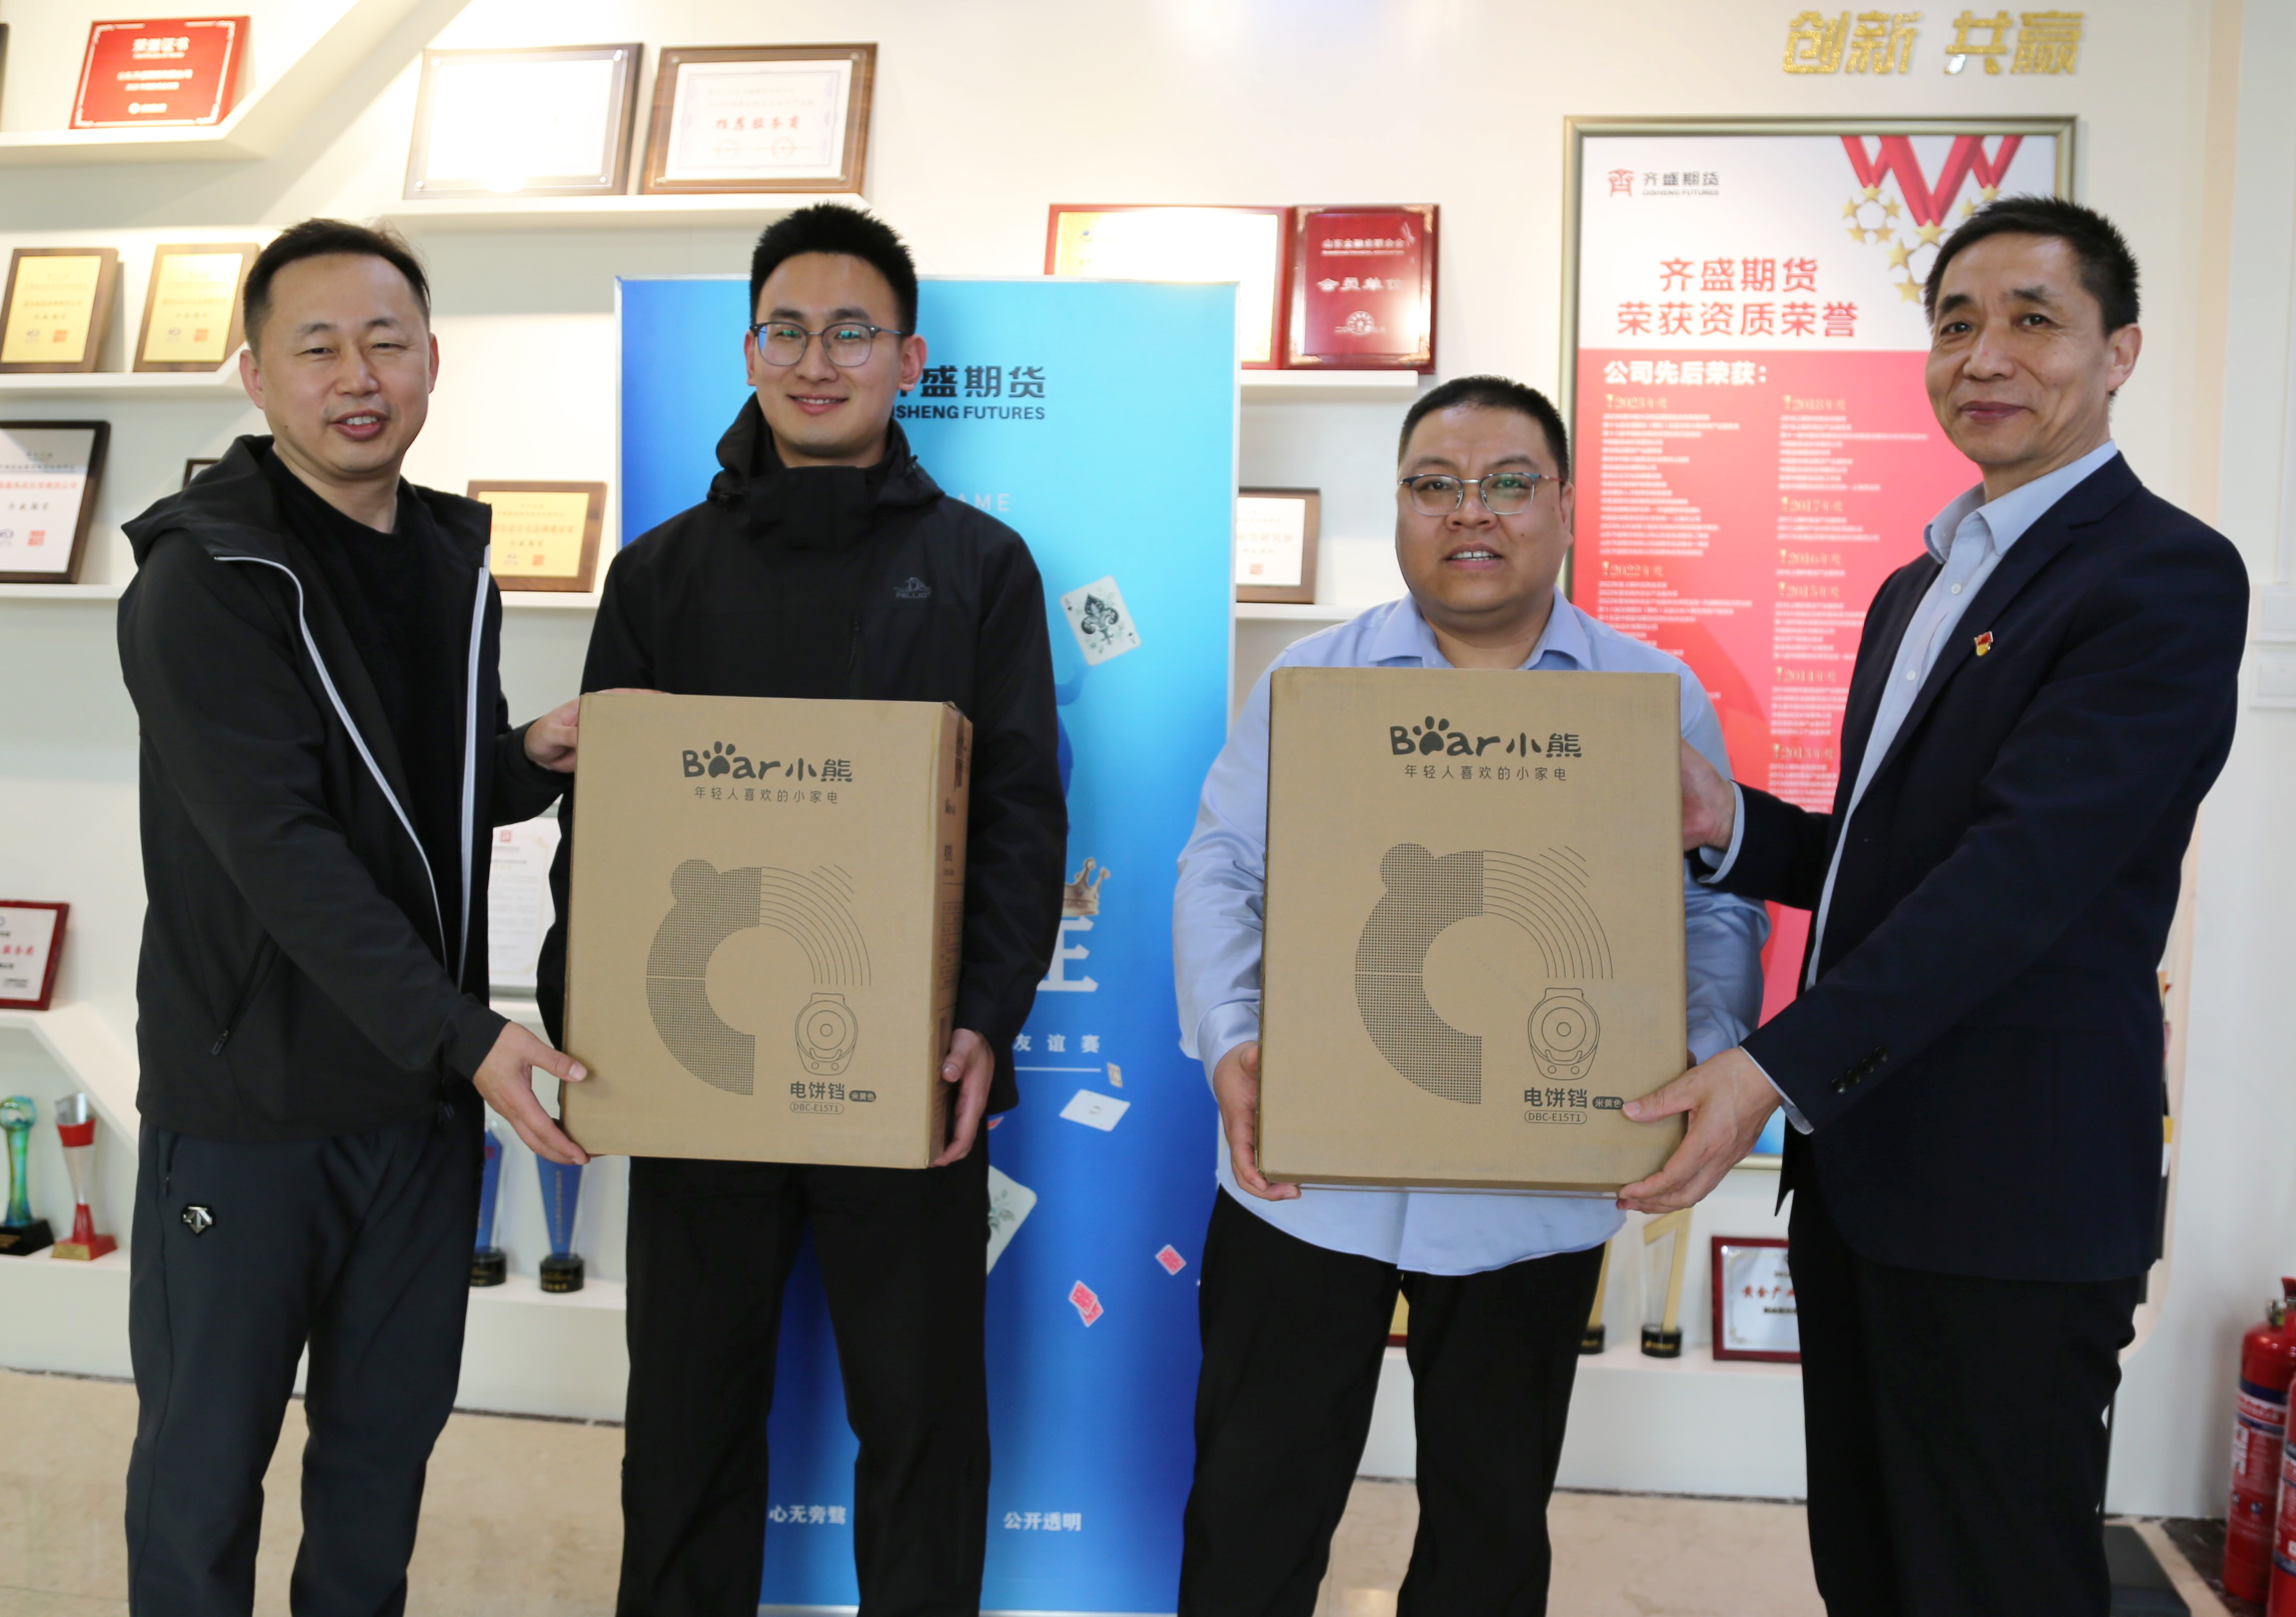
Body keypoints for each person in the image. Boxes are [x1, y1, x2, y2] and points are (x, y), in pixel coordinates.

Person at [1617, 197, 2250, 1615]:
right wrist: (1729, 825)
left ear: (2118, 351)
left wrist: (1769, 1067)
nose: (1984, 355)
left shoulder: (2161, 574)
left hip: (2011, 1195)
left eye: (2033, 319)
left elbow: (2018, 878)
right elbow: (1891, 860)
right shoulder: (1918, 585)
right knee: (1872, 1569)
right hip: (1864, 1184)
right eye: (1955, 323)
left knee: (1990, 1577)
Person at [535, 203, 1065, 1617]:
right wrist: (594, 1032)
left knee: (922, 1417)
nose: (816, 360)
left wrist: (984, 1021)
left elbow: (1021, 816)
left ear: (908, 358)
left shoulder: (979, 566)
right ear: (748, 349)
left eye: (850, 332)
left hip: (906, 1062)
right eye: (787, 330)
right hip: (692, 1056)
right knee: (688, 1415)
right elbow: (608, 826)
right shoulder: (660, 571)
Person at [1172, 375, 1767, 1616]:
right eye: (1434, 486)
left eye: (1507, 484)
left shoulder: (1647, 695)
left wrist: (1698, 1056)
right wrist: (1232, 1041)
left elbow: (1713, 906)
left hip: (1532, 1190)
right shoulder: (1312, 681)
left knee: (1488, 1533)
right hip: (1304, 1178)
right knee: (1250, 1510)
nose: (1470, 512)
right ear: (1399, 507)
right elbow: (1221, 868)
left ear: (1564, 505)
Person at [115, 218, 589, 1616]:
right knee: (204, 1474)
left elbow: (407, 790)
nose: (356, 375)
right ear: (255, 374)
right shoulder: (203, 579)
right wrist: (471, 1035)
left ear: (432, 360)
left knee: (380, 1468)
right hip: (251, 1104)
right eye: (316, 347)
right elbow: (285, 851)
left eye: (385, 342)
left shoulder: (449, 558)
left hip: (414, 1109)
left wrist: (525, 757)